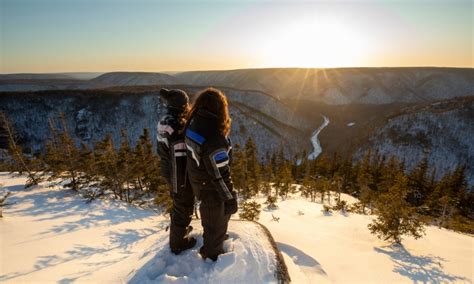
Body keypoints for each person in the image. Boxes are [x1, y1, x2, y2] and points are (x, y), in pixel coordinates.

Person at [184, 88, 238, 261]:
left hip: (198, 181)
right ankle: (212, 254)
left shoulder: (193, 122)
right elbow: (220, 175)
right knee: (217, 218)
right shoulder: (214, 138)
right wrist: (230, 198)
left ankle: (215, 238)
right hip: (211, 188)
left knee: (211, 218)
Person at [157, 88, 196, 255]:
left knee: (178, 203)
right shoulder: (177, 126)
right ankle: (178, 243)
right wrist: (181, 182)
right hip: (177, 172)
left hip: (167, 168)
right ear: (182, 106)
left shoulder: (166, 120)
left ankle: (180, 231)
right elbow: (179, 156)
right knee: (184, 204)